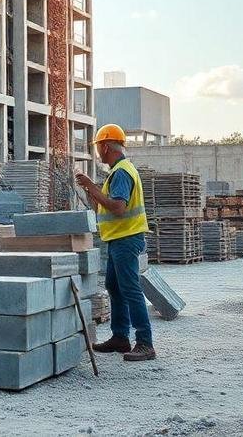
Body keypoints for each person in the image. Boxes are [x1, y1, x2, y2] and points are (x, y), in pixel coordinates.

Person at [75, 124, 156, 362]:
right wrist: (92, 192)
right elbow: (104, 205)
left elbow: (118, 208)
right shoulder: (119, 171)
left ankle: (145, 343)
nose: (98, 152)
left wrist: (91, 186)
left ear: (105, 146)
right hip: (119, 238)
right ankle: (120, 337)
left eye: (99, 147)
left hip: (126, 238)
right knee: (114, 286)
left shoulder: (121, 172)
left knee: (130, 290)